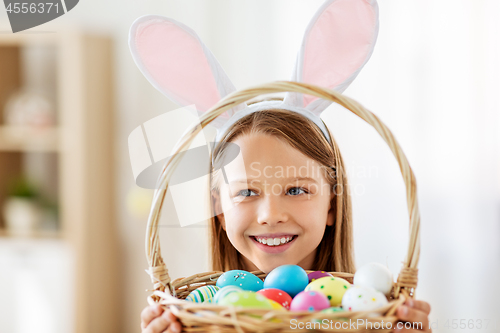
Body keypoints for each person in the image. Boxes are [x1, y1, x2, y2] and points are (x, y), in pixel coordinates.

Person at [130, 1, 431, 332]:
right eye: (246, 191)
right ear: (219, 209)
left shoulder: (372, 314)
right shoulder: (196, 314)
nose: (270, 215)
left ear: (332, 203)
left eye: (297, 189)